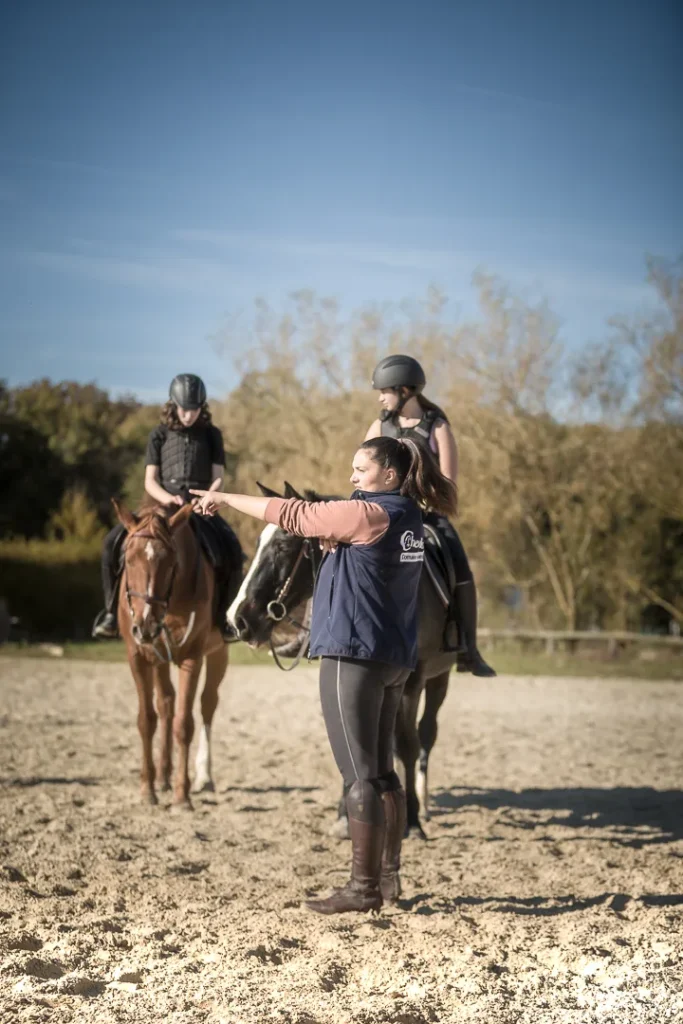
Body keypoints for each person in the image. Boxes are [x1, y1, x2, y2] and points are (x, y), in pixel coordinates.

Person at [191, 435, 457, 914]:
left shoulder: (367, 515)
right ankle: (389, 878)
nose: (353, 477)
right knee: (382, 773)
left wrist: (225, 497)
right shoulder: (408, 518)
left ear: (390, 476)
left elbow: (293, 516)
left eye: (362, 470)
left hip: (351, 656)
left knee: (357, 777)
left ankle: (362, 888)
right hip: (393, 657)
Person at [366, 354, 495, 677]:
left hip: (427, 517)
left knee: (460, 567)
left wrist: (422, 503)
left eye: (385, 391)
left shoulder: (437, 427)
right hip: (385, 515)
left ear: (406, 390)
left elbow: (448, 484)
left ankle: (468, 648)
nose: (381, 397)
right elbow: (364, 474)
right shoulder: (380, 426)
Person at [92, 373, 242, 642]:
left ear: (201, 407)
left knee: (232, 548)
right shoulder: (158, 434)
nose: (189, 415)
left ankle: (224, 619)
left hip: (199, 506)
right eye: (184, 409)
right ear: (174, 405)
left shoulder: (212, 435)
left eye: (195, 409)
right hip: (161, 505)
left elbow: (218, 475)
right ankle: (111, 615)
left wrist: (208, 496)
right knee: (111, 543)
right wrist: (166, 498)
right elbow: (149, 480)